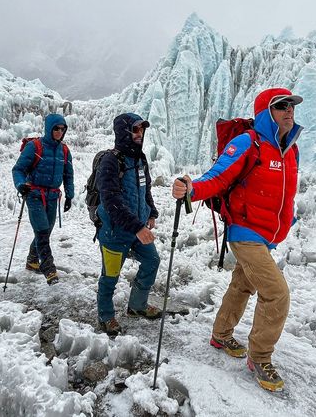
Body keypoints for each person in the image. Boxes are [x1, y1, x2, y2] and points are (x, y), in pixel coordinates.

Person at [171, 87, 303, 392]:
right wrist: (191, 189)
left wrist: (286, 221)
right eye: (281, 106)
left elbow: (285, 193)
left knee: (243, 283)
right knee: (277, 293)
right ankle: (260, 357)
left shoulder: (290, 149)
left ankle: (221, 333)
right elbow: (218, 177)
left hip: (267, 235)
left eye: (291, 106)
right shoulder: (248, 143)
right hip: (245, 232)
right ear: (265, 112)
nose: (289, 111)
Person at [95, 113, 161, 336]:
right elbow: (111, 200)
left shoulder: (140, 159)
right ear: (124, 131)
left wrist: (151, 212)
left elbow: (145, 189)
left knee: (152, 261)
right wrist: (137, 227)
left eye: (142, 129)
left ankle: (137, 306)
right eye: (135, 129)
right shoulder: (111, 161)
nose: (139, 134)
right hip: (115, 232)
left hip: (137, 228)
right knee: (110, 277)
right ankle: (106, 315)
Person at [12, 113, 74, 285]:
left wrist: (70, 195)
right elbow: (18, 169)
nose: (59, 132)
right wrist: (20, 184)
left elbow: (68, 175)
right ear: (49, 128)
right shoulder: (34, 147)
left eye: (63, 129)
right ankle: (49, 270)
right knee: (42, 231)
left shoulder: (64, 150)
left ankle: (32, 260)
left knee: (46, 230)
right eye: (56, 128)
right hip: (34, 195)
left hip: (53, 196)